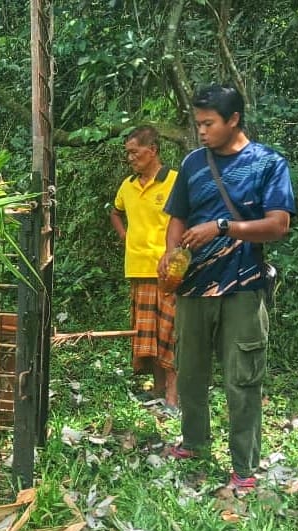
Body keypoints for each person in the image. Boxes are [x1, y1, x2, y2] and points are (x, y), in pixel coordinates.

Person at [159, 84, 296, 492]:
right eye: (197, 123)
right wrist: (170, 256)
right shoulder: (193, 163)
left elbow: (279, 225)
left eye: (208, 123)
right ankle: (195, 442)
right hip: (194, 288)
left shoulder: (268, 164)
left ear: (233, 120)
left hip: (243, 288)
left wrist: (222, 226)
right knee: (191, 374)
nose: (201, 131)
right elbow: (178, 217)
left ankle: (244, 467)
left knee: (243, 378)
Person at [110, 126, 179, 410]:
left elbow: (187, 218)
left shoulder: (175, 181)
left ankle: (174, 398)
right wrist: (126, 237)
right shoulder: (128, 185)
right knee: (148, 337)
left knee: (170, 335)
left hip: (168, 273)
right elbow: (115, 212)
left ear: (152, 150)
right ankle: (158, 390)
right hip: (138, 270)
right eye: (127, 153)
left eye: (135, 152)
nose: (130, 158)